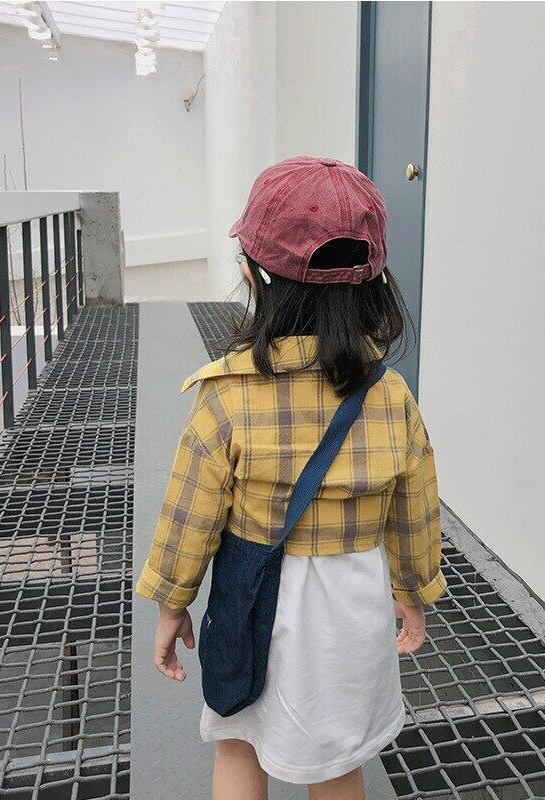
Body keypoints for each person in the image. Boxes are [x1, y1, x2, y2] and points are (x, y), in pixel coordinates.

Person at [135, 156, 446, 800]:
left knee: (237, 743)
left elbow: (190, 515)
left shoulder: (228, 394)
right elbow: (415, 512)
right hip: (352, 611)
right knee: (338, 766)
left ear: (253, 275)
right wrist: (413, 591)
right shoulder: (390, 396)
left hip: (255, 599)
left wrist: (172, 603)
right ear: (375, 286)